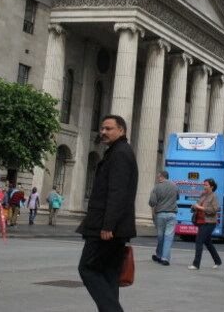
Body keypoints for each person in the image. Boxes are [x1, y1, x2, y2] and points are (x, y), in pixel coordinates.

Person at [77, 115, 138, 312]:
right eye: (102, 128)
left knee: (87, 269)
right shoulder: (119, 152)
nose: (103, 132)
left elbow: (117, 192)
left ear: (121, 131)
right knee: (109, 274)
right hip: (114, 227)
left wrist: (108, 225)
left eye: (108, 128)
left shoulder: (119, 153)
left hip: (106, 227)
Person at [187, 178, 222, 271]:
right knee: (208, 242)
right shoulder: (203, 195)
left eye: (206, 185)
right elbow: (198, 205)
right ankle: (218, 261)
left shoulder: (214, 196)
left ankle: (196, 264)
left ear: (212, 187)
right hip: (200, 222)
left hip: (209, 222)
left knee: (199, 240)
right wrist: (194, 207)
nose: (204, 187)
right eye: (204, 185)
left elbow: (213, 210)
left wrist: (200, 207)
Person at [148, 170, 179, 266]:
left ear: (162, 177)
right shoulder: (174, 186)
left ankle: (160, 255)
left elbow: (152, 202)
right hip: (172, 214)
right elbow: (177, 197)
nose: (158, 179)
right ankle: (164, 258)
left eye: (158, 177)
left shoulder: (157, 187)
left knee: (161, 236)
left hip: (160, 214)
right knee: (168, 237)